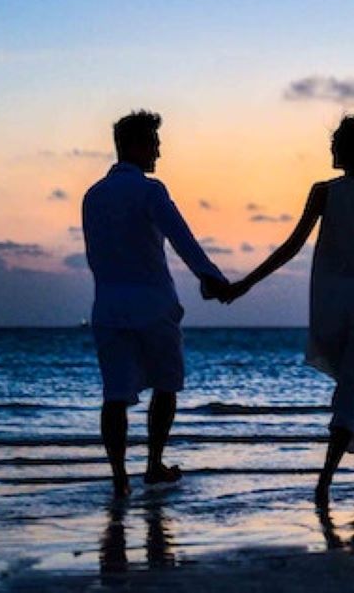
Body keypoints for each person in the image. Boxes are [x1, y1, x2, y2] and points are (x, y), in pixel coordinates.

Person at [228, 115, 354, 505]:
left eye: (336, 142)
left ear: (351, 149)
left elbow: (291, 247)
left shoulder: (324, 192)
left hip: (330, 308)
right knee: (353, 393)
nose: (330, 149)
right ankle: (324, 484)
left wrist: (244, 284)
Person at [82, 110, 231, 497]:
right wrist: (210, 276)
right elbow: (180, 236)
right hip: (152, 303)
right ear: (135, 145)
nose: (158, 154)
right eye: (154, 144)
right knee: (166, 386)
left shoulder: (93, 195)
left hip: (109, 306)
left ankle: (119, 478)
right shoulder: (151, 190)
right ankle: (152, 465)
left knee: (115, 396)